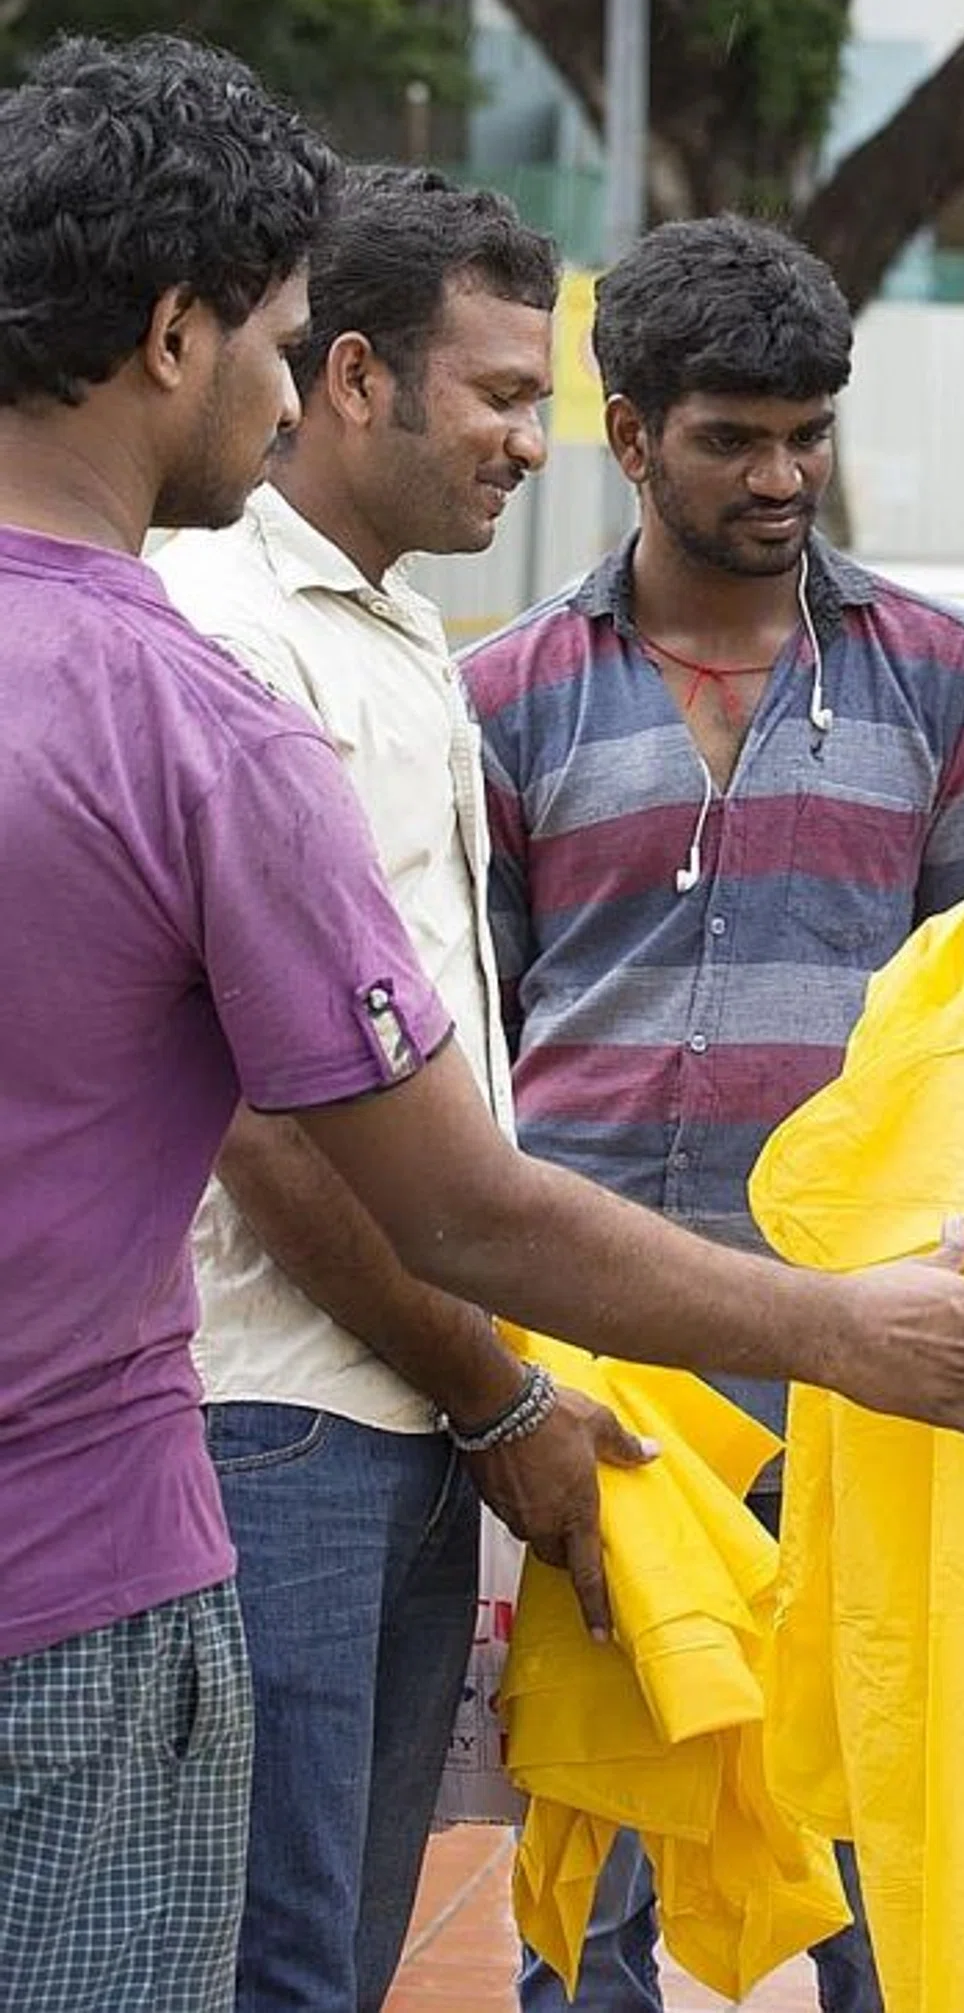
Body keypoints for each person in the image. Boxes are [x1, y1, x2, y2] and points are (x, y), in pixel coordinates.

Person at [0, 37, 964, 2013]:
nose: (278, 397)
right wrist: (572, 1382)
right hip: (245, 1463)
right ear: (190, 338)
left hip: (461, 1389)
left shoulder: (896, 674)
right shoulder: (226, 696)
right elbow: (409, 1170)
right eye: (278, 343)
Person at [462, 213, 964, 2013]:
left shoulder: (942, 677)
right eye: (734, 438)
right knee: (593, 1839)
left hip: (856, 1348)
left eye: (810, 432)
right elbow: (473, 1045)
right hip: (593, 1360)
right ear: (629, 437)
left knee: (877, 1815)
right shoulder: (503, 697)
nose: (784, 475)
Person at [159, 165, 642, 2013]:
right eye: (503, 396)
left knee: (339, 1957)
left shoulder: (400, 637)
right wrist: (495, 1389)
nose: (538, 443)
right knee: (272, 1963)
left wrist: (475, 1391)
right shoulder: (229, 631)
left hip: (408, 1401)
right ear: (352, 378)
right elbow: (264, 1123)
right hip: (280, 1412)